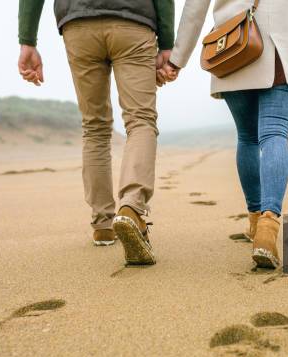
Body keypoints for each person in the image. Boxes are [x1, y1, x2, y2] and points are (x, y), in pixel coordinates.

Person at [17, 0, 175, 266]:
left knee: (95, 127)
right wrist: (168, 43)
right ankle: (132, 207)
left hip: (79, 24)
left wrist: (27, 40)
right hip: (133, 22)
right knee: (140, 120)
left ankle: (103, 223)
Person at [160, 0, 288, 268]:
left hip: (234, 44)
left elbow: (195, 8)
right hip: (283, 46)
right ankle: (268, 225)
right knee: (275, 133)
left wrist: (176, 60)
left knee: (248, 137)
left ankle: (255, 221)